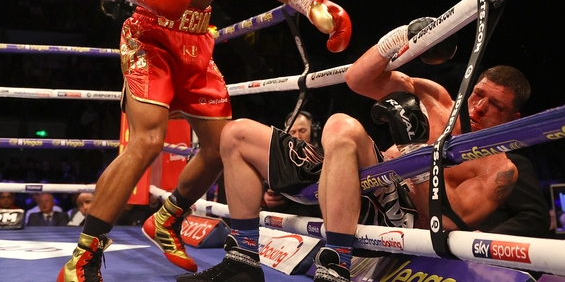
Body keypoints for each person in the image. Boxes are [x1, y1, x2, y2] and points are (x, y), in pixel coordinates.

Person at [58, 0, 352, 281]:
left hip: (197, 41)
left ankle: (167, 218)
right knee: (148, 140)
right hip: (150, 36)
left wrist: (310, 5)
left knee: (221, 146)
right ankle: (85, 256)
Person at [183, 29, 529, 282]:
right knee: (237, 133)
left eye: (495, 105)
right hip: (353, 182)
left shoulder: (500, 170)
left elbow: (441, 224)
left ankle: (334, 268)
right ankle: (243, 260)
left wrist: (414, 151)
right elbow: (357, 78)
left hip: (399, 216)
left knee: (342, 125)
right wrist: (401, 36)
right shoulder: (435, 99)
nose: (479, 108)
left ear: (513, 118)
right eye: (478, 95)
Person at [262, 111, 323, 217]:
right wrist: (265, 196)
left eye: (302, 131)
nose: (297, 136)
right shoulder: (279, 158)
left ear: (313, 132)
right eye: (293, 132)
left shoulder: (323, 157)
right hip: (283, 218)